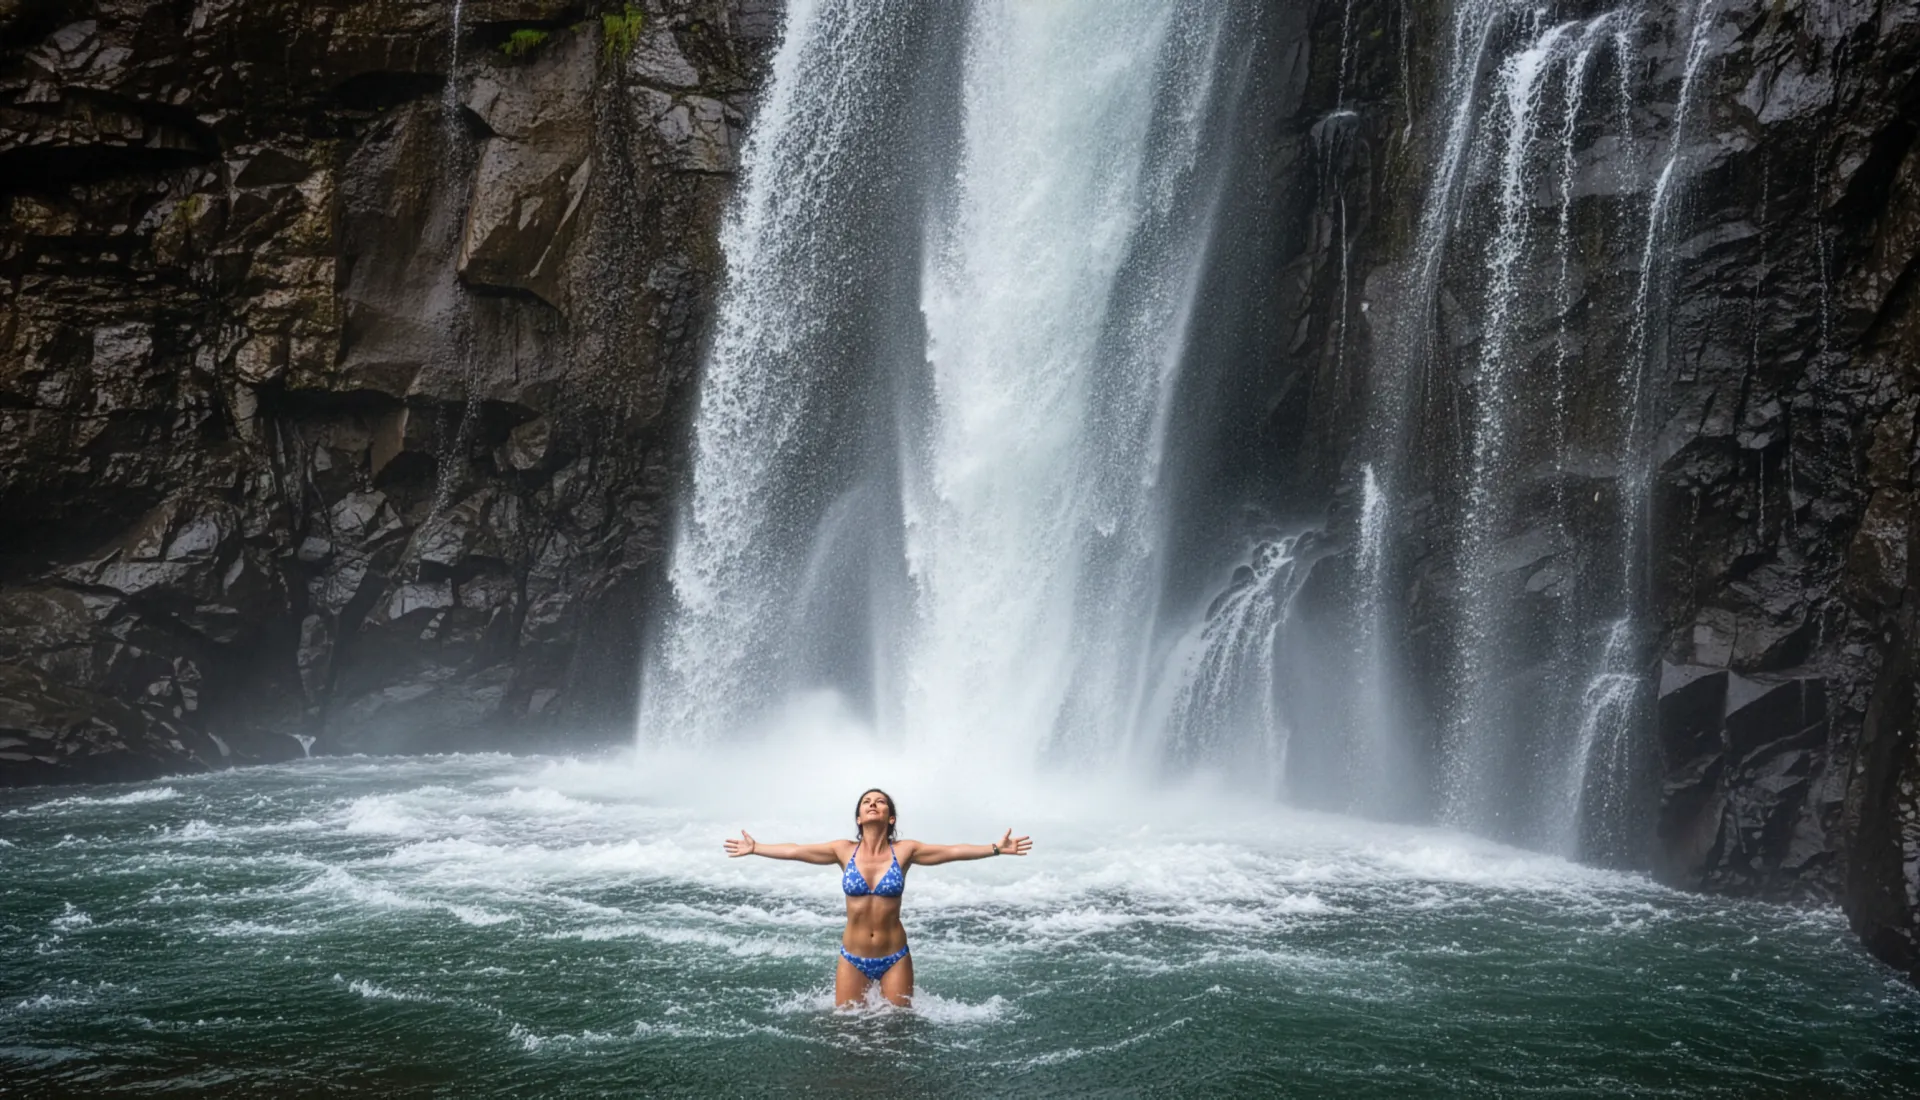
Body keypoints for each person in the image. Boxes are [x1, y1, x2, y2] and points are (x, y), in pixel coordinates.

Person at [723, 787, 1032, 1007]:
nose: (873, 804)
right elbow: (795, 850)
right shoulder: (843, 850)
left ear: (891, 817)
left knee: (898, 1031)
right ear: (858, 818)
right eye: (866, 802)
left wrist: (995, 848)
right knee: (846, 1032)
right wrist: (756, 848)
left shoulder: (905, 851)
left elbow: (952, 851)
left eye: (880, 802)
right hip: (852, 957)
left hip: (894, 957)